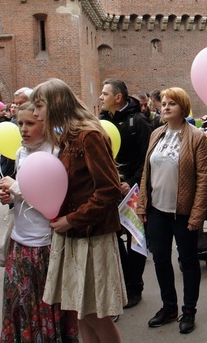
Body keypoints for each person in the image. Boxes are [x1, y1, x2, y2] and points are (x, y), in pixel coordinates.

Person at [35, 79, 125, 343]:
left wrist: (71, 220)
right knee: (80, 312)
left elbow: (109, 190)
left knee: (96, 314)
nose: (37, 113)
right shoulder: (66, 137)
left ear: (56, 104)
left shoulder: (89, 136)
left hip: (91, 236)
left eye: (40, 106)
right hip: (73, 235)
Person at [0, 102, 79, 342]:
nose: (23, 129)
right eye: (20, 123)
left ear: (44, 123)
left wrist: (16, 187)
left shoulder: (54, 152)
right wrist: (9, 196)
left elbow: (49, 195)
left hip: (44, 243)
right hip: (19, 240)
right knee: (20, 302)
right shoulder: (21, 152)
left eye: (30, 123)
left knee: (45, 301)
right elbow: (23, 193)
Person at [136, 87, 207, 334]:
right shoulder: (156, 133)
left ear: (183, 107)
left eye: (172, 104)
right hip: (157, 209)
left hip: (183, 212)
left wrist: (197, 215)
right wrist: (142, 203)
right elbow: (147, 171)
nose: (165, 107)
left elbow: (203, 179)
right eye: (164, 103)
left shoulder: (196, 137)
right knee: (159, 259)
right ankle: (169, 307)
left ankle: (188, 310)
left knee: (188, 261)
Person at [99, 78, 153, 309]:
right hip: (110, 190)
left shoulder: (138, 122)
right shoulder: (100, 122)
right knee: (113, 237)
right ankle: (122, 282)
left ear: (117, 97)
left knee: (135, 240)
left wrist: (131, 182)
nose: (100, 98)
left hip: (133, 193)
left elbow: (148, 159)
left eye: (104, 94)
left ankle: (134, 288)